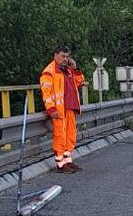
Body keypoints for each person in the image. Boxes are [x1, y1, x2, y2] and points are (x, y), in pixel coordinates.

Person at [40, 45, 86, 173]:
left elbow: (80, 82)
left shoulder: (69, 70)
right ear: (55, 56)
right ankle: (60, 164)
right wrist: (51, 109)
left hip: (70, 108)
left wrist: (76, 68)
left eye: (67, 56)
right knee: (60, 136)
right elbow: (46, 92)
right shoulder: (49, 72)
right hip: (59, 110)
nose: (65, 59)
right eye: (62, 56)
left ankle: (68, 161)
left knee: (70, 136)